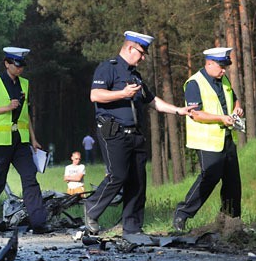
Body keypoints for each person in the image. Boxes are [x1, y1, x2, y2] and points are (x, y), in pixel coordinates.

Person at [82, 31, 196, 236]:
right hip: (113, 131)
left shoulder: (136, 76)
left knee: (137, 181)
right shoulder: (108, 68)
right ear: (129, 48)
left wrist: (178, 110)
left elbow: (152, 101)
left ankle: (133, 227)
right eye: (141, 52)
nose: (143, 57)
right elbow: (95, 95)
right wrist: (122, 94)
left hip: (135, 134)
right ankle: (91, 208)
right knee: (118, 175)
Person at [0, 47, 52, 235]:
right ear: (7, 64)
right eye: (17, 65)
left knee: (30, 178)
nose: (20, 69)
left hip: (20, 141)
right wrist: (6, 107)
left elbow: (26, 114)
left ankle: (39, 222)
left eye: (22, 65)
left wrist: (33, 139)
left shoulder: (25, 84)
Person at [173, 47, 244, 231]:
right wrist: (221, 118)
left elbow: (234, 98)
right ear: (209, 63)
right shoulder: (194, 83)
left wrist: (237, 108)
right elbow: (195, 114)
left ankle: (231, 220)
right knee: (209, 178)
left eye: (225, 66)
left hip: (227, 138)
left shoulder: (223, 79)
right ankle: (182, 214)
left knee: (233, 181)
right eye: (221, 66)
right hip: (207, 141)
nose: (224, 70)